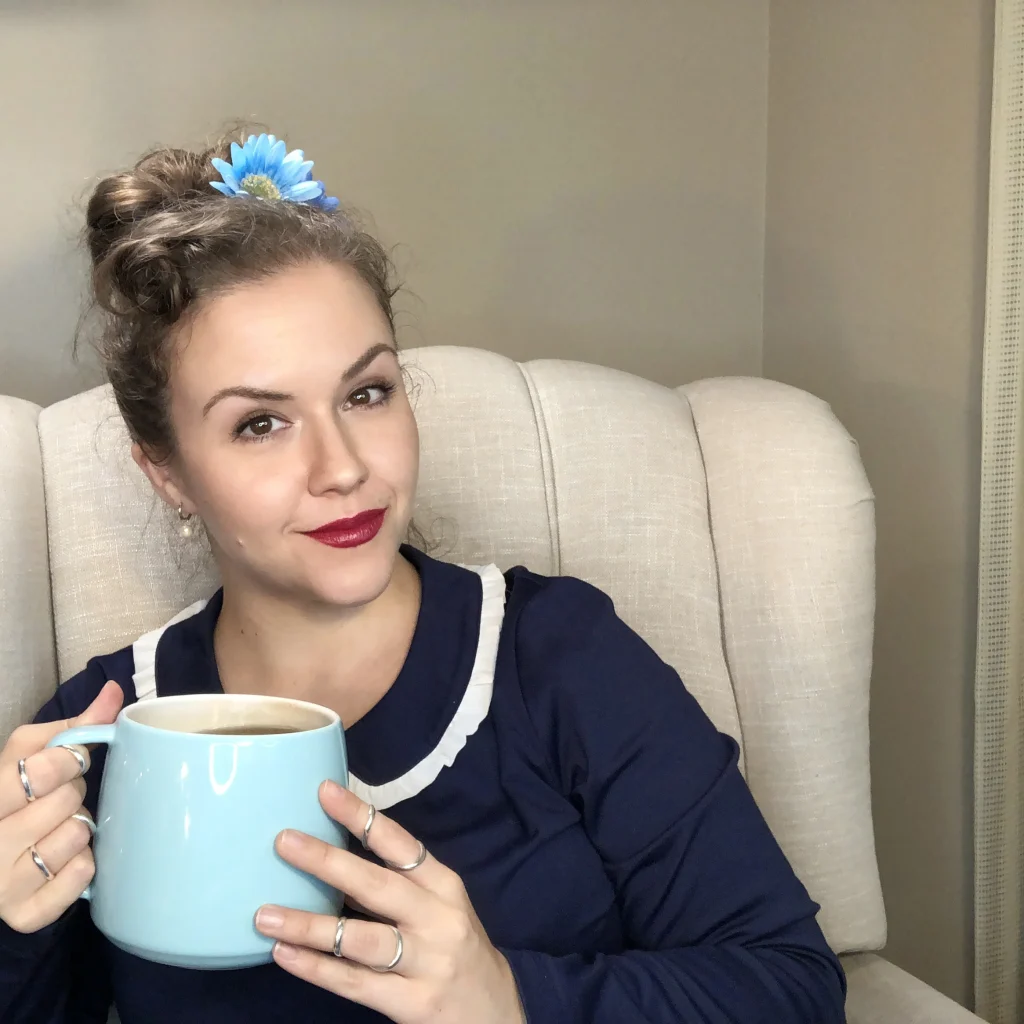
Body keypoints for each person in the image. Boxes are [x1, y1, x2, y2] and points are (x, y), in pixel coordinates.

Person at [0, 132, 847, 1024]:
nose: (343, 469)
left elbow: (790, 987)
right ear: (165, 471)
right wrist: (9, 932)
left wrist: (512, 999)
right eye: (259, 424)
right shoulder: (101, 727)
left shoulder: (560, 658)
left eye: (367, 393)